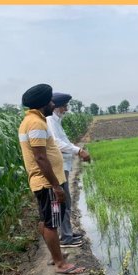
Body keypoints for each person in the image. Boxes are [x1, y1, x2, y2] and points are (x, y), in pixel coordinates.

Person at [17, 83, 85, 275]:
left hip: (45, 183)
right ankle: (60, 264)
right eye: (50, 100)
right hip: (47, 184)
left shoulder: (32, 121)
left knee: (46, 220)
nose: (53, 103)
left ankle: (55, 257)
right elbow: (40, 157)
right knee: (51, 223)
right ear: (43, 103)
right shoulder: (36, 123)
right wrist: (56, 186)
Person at [46, 92, 91, 249]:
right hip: (58, 168)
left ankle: (67, 233)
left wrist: (75, 150)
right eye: (64, 106)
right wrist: (78, 151)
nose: (66, 109)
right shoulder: (50, 120)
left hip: (63, 166)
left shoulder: (56, 121)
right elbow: (56, 143)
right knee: (62, 201)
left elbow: (63, 141)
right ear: (56, 107)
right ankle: (65, 237)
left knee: (66, 201)